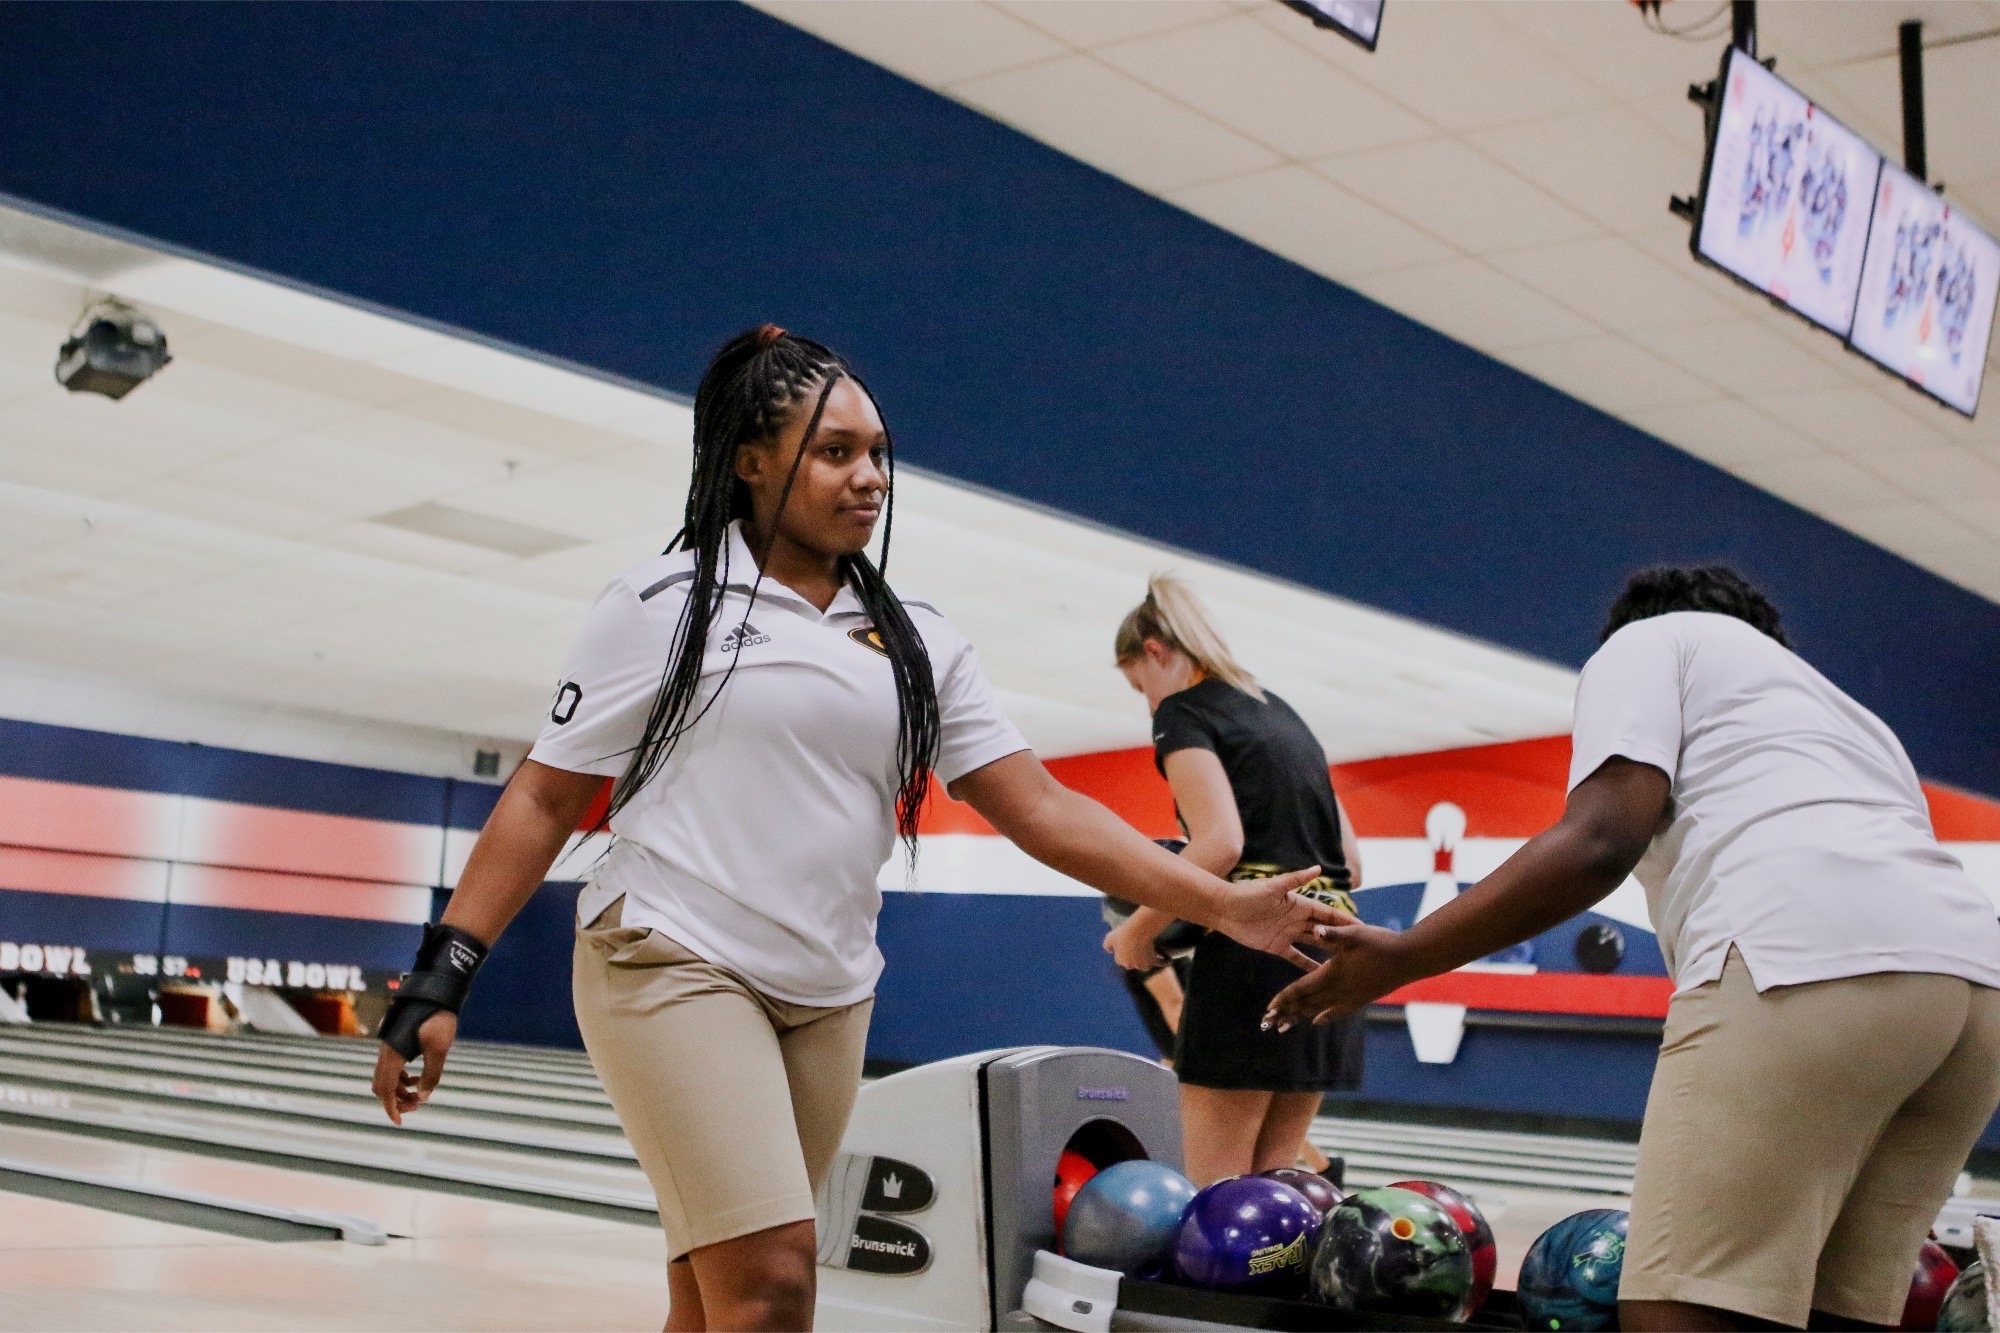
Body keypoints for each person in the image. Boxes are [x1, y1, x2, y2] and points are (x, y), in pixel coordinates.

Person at [368, 327, 1340, 1333]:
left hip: (828, 990)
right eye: (834, 451)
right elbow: (541, 796)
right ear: (749, 460)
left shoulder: (916, 638)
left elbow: (1041, 807)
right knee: (777, 1282)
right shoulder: (663, 605)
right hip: (670, 956)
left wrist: (1218, 902)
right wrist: (442, 975)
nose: (868, 476)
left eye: (876, 451)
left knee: (708, 1299)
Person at [1267, 565, 2000, 1332]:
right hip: (1970, 1000)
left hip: (1805, 960)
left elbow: (1600, 837)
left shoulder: (1650, 640)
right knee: (1839, 1311)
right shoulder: (1851, 717)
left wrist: (1403, 955)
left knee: (1681, 1306)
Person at [1104, 575, 1366, 1186]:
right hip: (1335, 950)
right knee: (1282, 1191)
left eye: (1138, 686)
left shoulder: (1183, 713)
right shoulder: (1281, 711)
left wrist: (1138, 931)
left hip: (1256, 954)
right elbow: (1351, 863)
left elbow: (1220, 843)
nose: (1146, 703)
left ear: (1155, 652)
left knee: (1217, 1195)